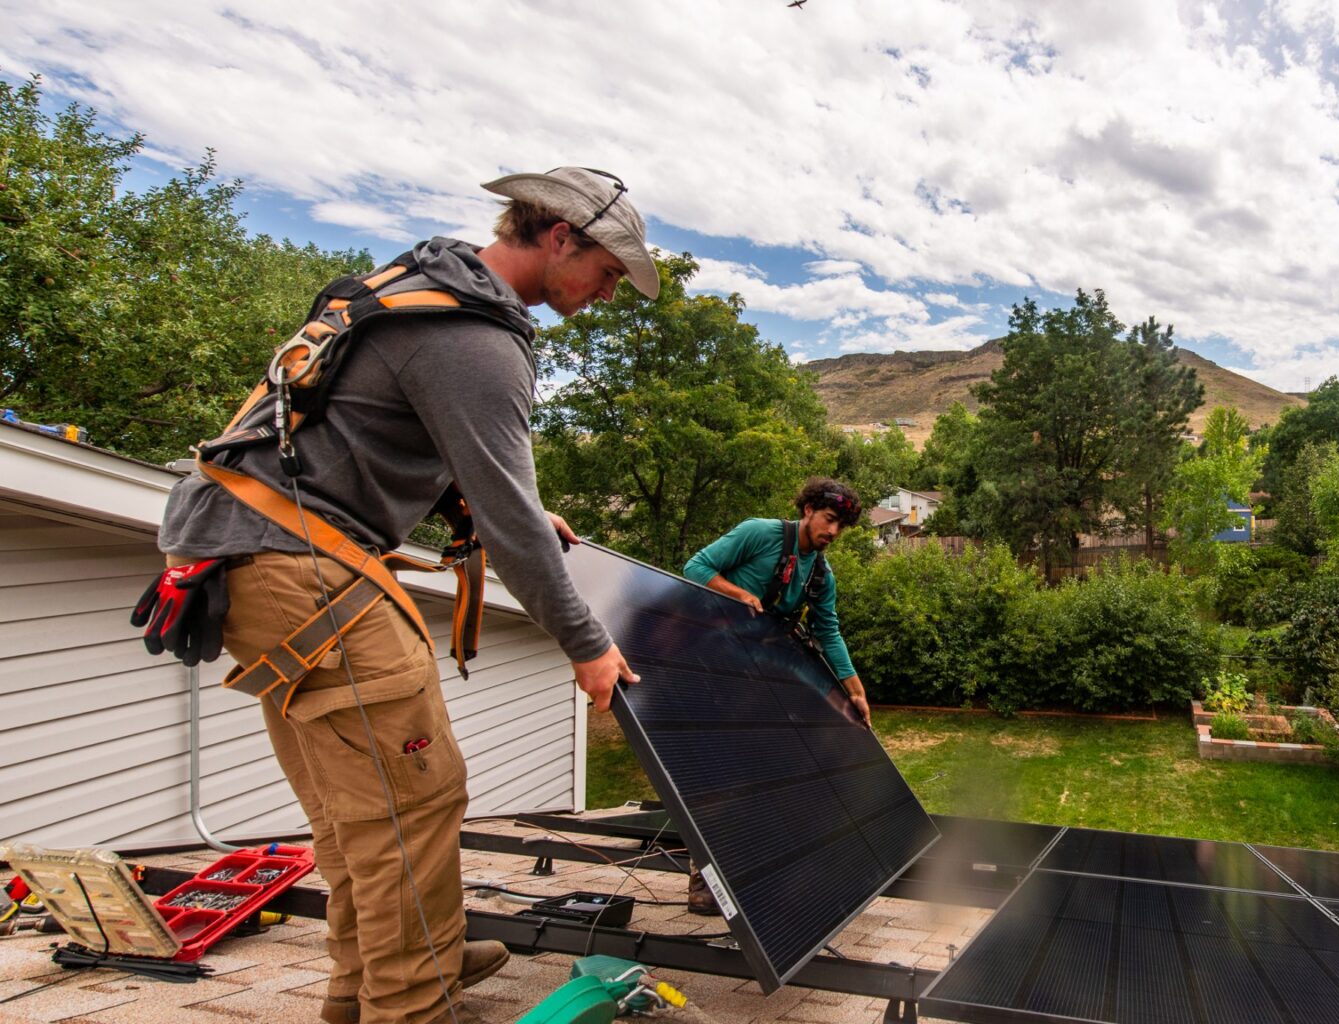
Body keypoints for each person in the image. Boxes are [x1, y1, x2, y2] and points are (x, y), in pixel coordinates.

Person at [155, 167, 649, 1024]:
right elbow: (508, 523)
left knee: (359, 806)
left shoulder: (412, 287)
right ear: (561, 236)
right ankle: (414, 1000)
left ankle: (370, 983)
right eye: (608, 270)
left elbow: (369, 437)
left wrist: (518, 506)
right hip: (296, 562)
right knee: (416, 797)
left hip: (241, 555)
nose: (608, 291)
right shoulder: (479, 341)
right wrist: (585, 643)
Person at [679, 477, 870, 914]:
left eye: (842, 527)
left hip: (761, 671)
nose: (834, 533)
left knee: (770, 767)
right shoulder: (760, 533)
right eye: (829, 520)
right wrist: (738, 593)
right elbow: (695, 568)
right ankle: (704, 877)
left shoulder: (821, 573)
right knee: (716, 774)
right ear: (807, 509)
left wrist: (855, 690)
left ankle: (762, 866)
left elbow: (828, 631)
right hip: (714, 660)